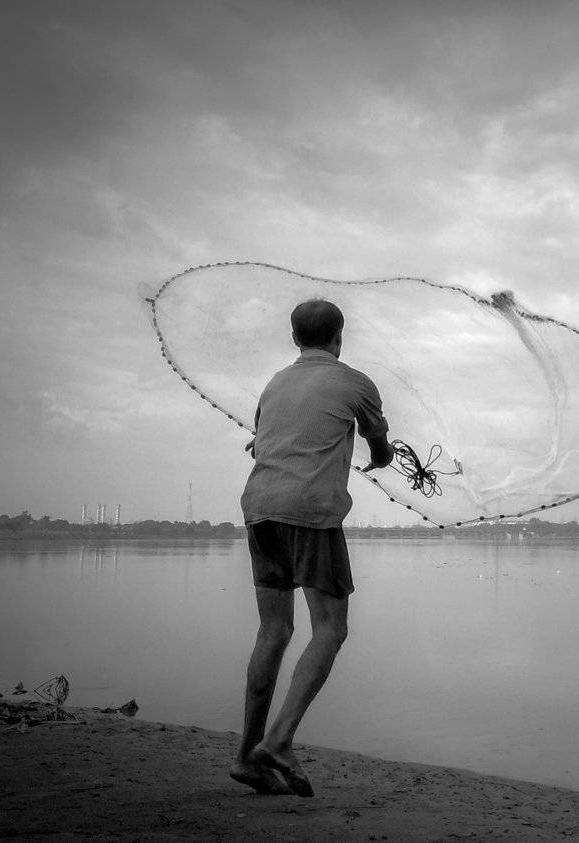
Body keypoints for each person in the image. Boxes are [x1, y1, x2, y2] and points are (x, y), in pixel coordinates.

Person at [229, 299, 393, 797]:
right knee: (330, 628)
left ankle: (246, 758)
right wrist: (383, 456)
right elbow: (380, 446)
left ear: (295, 338)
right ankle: (278, 742)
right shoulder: (355, 382)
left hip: (259, 508)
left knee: (273, 630)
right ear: (339, 337)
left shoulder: (275, 383)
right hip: (311, 512)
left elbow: (263, 441)